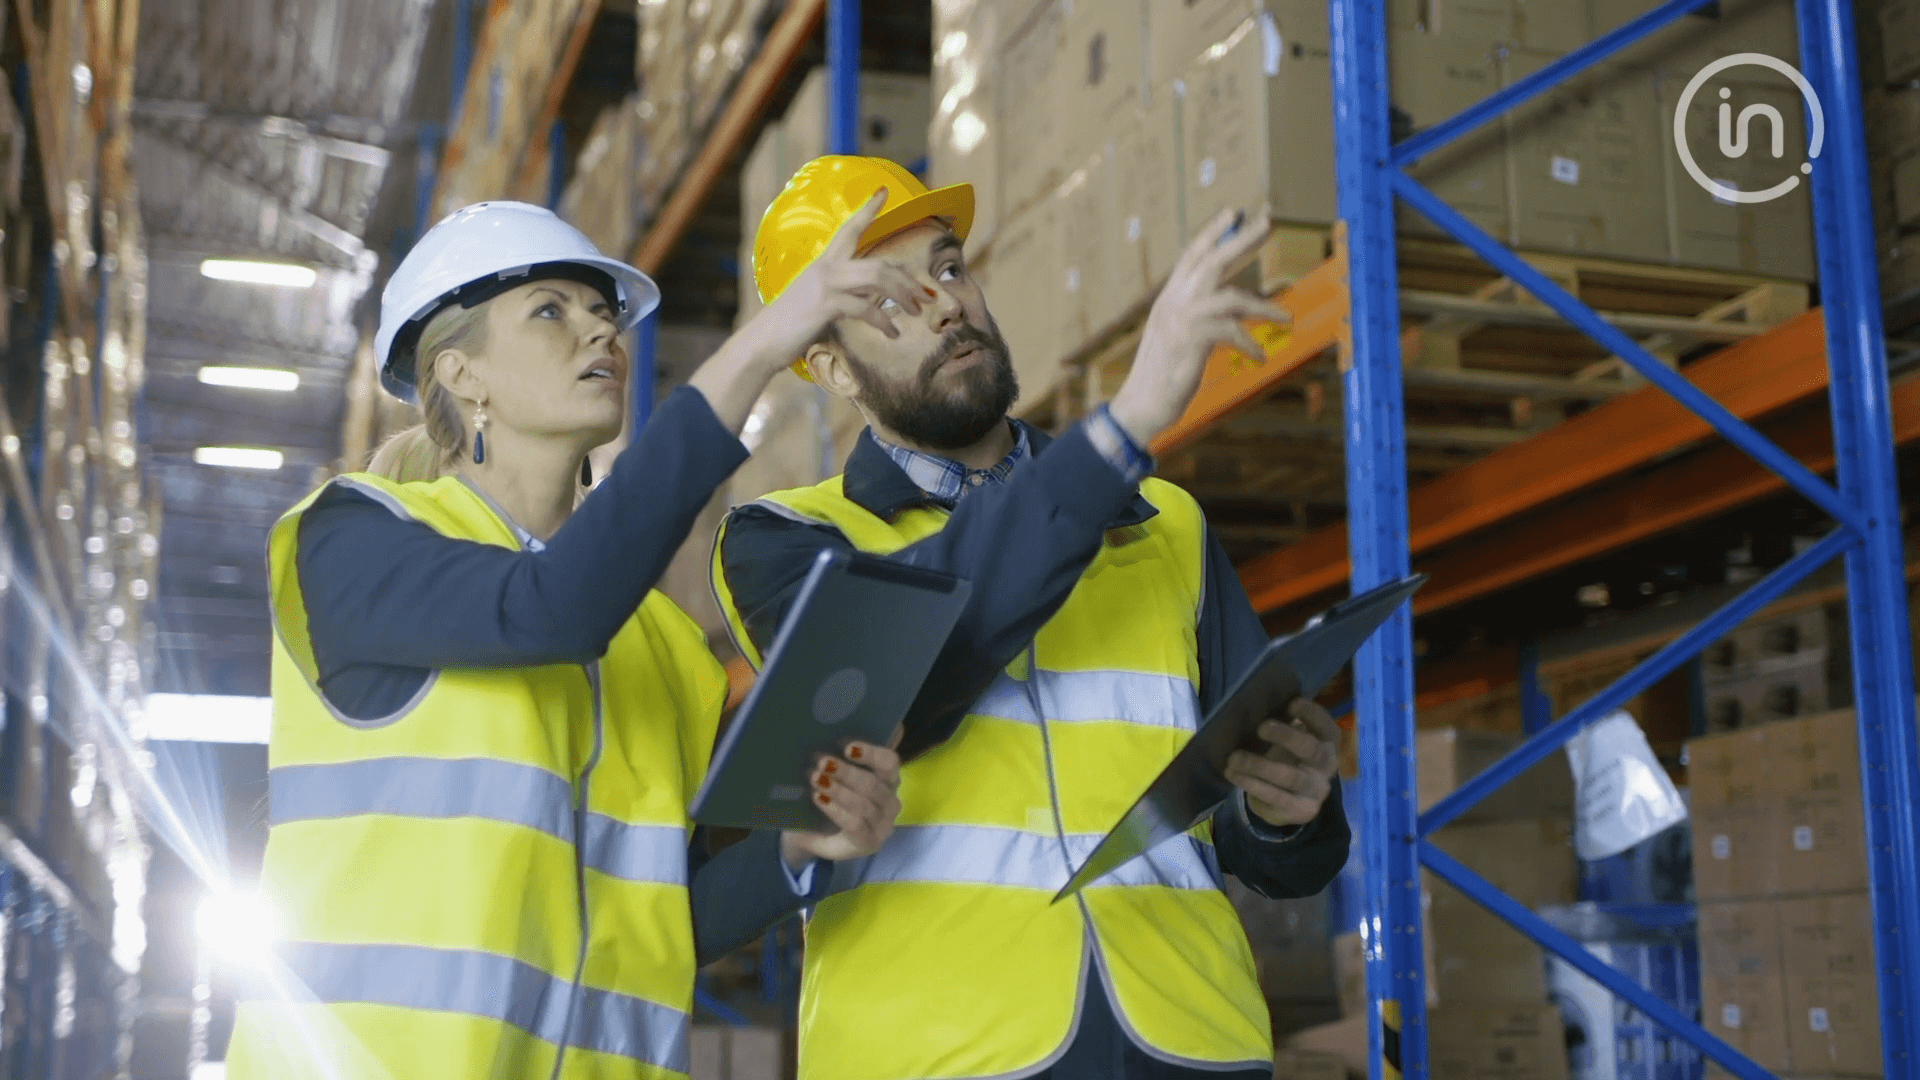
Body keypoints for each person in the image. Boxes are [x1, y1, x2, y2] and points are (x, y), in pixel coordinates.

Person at [224, 201, 923, 1079]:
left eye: (603, 313)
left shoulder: (665, 648)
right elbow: (550, 609)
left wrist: (794, 850)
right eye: (550, 310)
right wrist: (758, 347)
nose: (599, 330)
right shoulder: (353, 542)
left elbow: (663, 920)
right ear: (461, 373)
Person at [710, 157, 1353, 1080]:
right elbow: (914, 672)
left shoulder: (1164, 523)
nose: (943, 304)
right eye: (886, 299)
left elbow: (1270, 852)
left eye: (948, 268)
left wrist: (1286, 812)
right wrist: (1123, 427)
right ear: (832, 367)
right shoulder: (786, 539)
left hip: (1190, 1039)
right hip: (938, 1054)